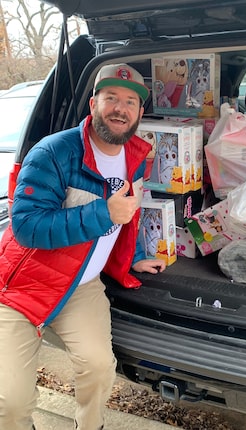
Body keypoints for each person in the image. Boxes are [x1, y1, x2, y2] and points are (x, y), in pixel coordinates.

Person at [0, 63, 166, 430]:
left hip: (81, 285)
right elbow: (26, 227)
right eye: (111, 98)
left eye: (129, 102)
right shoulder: (54, 152)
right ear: (93, 105)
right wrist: (103, 212)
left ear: (140, 113)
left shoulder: (135, 158)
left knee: (99, 368)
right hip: (22, 286)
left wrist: (135, 256)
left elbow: (128, 217)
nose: (119, 108)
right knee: (10, 403)